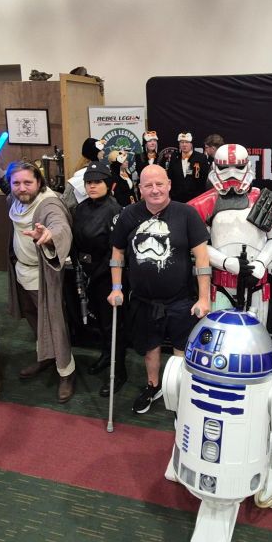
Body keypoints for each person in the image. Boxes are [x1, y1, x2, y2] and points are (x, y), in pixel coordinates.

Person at [107, 164, 211, 414]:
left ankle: (178, 392)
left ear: (169, 185)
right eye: (148, 185)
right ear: (140, 189)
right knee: (149, 347)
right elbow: (117, 253)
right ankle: (153, 386)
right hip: (143, 299)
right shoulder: (128, 215)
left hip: (181, 299)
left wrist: (204, 298)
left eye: (159, 184)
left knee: (180, 349)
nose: (155, 190)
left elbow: (202, 259)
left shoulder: (186, 214)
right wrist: (116, 288)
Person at [188, 143, 272, 324]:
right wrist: (225, 262)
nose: (231, 173)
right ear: (215, 167)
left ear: (247, 166)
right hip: (220, 284)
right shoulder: (203, 204)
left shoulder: (262, 199)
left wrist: (261, 263)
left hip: (257, 283)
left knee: (256, 334)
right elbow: (199, 246)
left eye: (238, 167)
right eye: (224, 167)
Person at [7, 161, 76, 403]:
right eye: (16, 183)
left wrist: (49, 236)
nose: (22, 188)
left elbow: (60, 226)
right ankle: (46, 356)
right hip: (21, 271)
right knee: (33, 317)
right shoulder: (15, 201)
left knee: (55, 325)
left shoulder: (48, 203)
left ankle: (66, 372)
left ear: (39, 182)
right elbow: (2, 181)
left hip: (43, 276)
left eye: (28, 182)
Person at [72, 160, 125, 396]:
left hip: (107, 275)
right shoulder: (81, 208)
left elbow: (115, 250)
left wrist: (96, 275)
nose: (92, 186)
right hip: (86, 272)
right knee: (99, 324)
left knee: (112, 325)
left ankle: (119, 371)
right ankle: (106, 355)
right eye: (88, 182)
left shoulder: (115, 211)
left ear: (108, 184)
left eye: (97, 182)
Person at [166, 132, 210, 203]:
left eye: (187, 142)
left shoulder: (201, 158)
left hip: (196, 199)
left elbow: (204, 178)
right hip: (177, 199)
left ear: (191, 144)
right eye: (182, 142)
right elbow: (170, 176)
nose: (184, 144)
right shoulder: (174, 157)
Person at [63, 137, 105, 211]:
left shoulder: (89, 171)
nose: (103, 152)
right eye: (100, 150)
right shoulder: (83, 174)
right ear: (94, 153)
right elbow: (68, 203)